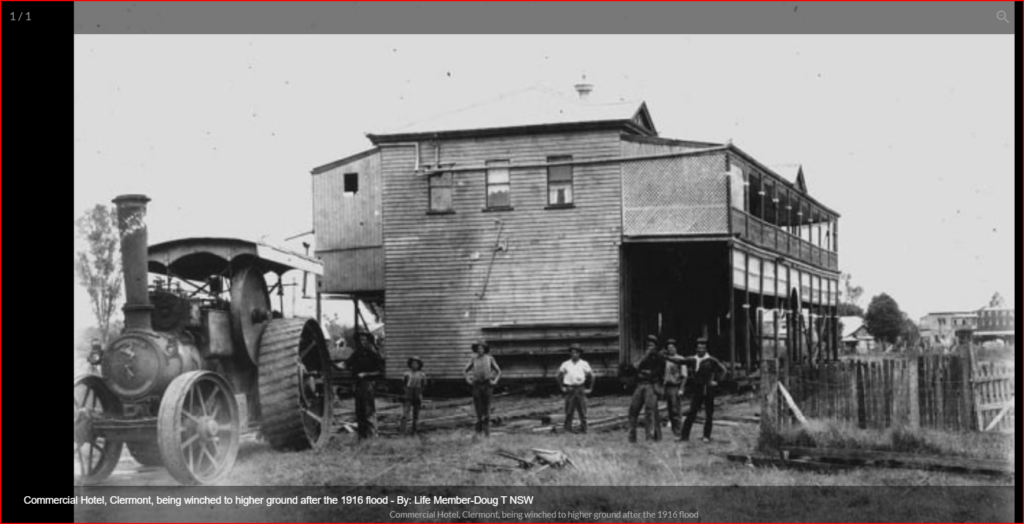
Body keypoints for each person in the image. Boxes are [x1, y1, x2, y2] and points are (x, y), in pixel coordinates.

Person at [674, 337, 727, 442]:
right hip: (698, 388)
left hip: (708, 389)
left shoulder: (711, 360)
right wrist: (665, 357)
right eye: (699, 348)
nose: (700, 350)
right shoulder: (693, 359)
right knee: (692, 412)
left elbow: (723, 370)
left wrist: (717, 381)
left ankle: (706, 436)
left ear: (706, 349)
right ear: (696, 349)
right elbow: (681, 361)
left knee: (708, 413)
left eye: (703, 348)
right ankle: (684, 436)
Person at [345, 329, 385, 439]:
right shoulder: (357, 354)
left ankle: (372, 436)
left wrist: (366, 374)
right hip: (358, 384)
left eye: (364, 339)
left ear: (368, 341)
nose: (362, 342)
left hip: (368, 383)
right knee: (359, 411)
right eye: (360, 340)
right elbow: (346, 364)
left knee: (368, 411)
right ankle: (362, 437)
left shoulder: (373, 354)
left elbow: (381, 371)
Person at [628, 334, 666, 443]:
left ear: (656, 346)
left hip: (651, 385)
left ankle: (650, 437)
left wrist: (644, 373)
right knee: (633, 410)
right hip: (640, 385)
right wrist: (645, 358)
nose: (650, 347)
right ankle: (632, 437)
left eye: (652, 345)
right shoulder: (643, 357)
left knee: (650, 411)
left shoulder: (660, 358)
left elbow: (656, 373)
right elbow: (634, 369)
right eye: (648, 345)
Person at [464, 341, 501, 438]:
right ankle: (478, 431)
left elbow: (498, 371)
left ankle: (487, 433)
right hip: (476, 385)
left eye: (482, 348)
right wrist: (468, 379)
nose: (480, 350)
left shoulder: (490, 358)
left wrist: (495, 381)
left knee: (487, 408)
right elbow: (465, 370)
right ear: (476, 350)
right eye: (478, 349)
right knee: (478, 408)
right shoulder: (473, 359)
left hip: (487, 385)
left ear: (485, 349)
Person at [556, 343, 594, 434]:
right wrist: (562, 387)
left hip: (580, 389)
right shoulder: (565, 364)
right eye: (572, 352)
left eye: (576, 352)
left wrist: (590, 388)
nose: (574, 354)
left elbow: (592, 376)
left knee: (582, 411)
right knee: (569, 411)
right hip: (570, 389)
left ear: (579, 353)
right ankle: (568, 430)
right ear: (570, 353)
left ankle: (584, 429)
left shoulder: (584, 364)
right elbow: (558, 375)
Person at [662, 339, 688, 437]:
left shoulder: (681, 359)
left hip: (675, 387)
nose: (670, 350)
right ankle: (675, 432)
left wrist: (681, 389)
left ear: (676, 348)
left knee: (676, 410)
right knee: (670, 411)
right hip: (667, 387)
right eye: (669, 348)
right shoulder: (666, 360)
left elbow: (685, 376)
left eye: (672, 347)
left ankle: (679, 432)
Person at [400, 356, 427, 435]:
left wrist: (420, 393)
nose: (414, 365)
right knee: (405, 414)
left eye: (416, 363)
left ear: (419, 365)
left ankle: (414, 431)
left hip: (417, 393)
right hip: (408, 393)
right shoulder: (406, 374)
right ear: (410, 364)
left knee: (416, 414)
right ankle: (402, 431)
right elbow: (403, 384)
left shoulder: (422, 374)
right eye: (413, 363)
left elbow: (424, 385)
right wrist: (406, 392)